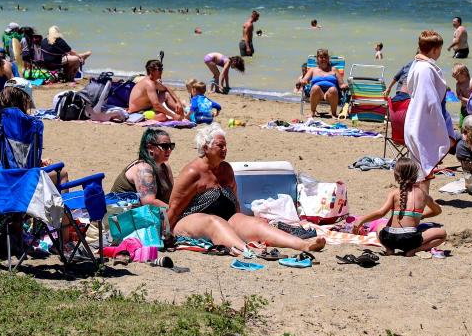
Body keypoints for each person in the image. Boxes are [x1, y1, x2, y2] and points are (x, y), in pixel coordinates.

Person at [168, 125, 325, 254]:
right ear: (205, 147)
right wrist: (163, 234)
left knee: (257, 224)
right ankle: (246, 250)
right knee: (214, 222)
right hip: (189, 221)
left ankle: (303, 245)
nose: (225, 149)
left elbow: (235, 202)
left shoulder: (226, 169)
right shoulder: (192, 172)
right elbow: (174, 208)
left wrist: (241, 221)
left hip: (226, 219)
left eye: (226, 146)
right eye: (220, 146)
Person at [350, 156, 447, 256]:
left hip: (389, 239)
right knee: (442, 234)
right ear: (416, 175)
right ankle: (415, 250)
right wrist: (421, 216)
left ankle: (389, 249)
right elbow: (437, 211)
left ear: (396, 175)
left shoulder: (394, 193)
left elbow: (381, 213)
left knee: (380, 226)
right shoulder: (423, 194)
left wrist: (361, 220)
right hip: (410, 240)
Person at [402, 31, 457, 177]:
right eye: (439, 49)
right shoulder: (426, 69)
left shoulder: (416, 64)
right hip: (422, 121)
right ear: (435, 50)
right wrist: (440, 126)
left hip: (415, 118)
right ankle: (420, 198)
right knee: (424, 161)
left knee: (421, 163)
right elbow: (430, 100)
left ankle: (422, 197)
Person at [110, 128, 176, 213]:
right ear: (150, 148)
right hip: (122, 217)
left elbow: (171, 196)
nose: (169, 150)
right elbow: (149, 203)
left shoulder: (165, 167)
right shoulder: (143, 169)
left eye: (171, 146)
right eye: (165, 146)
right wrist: (176, 211)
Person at [296, 48, 345, 117]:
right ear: (317, 59)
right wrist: (302, 82)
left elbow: (341, 84)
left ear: (328, 59)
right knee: (315, 87)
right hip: (317, 93)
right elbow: (305, 79)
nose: (323, 59)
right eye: (321, 57)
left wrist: (345, 86)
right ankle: (312, 112)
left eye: (325, 57)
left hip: (331, 94)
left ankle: (333, 113)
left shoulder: (334, 69)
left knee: (333, 89)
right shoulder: (313, 70)